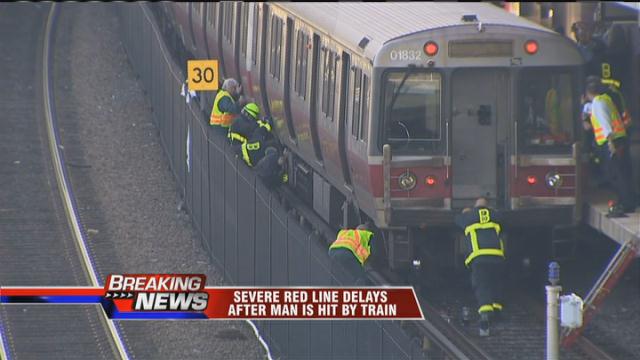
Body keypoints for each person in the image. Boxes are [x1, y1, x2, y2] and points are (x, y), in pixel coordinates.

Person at [455, 197, 506, 337]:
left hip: (479, 258)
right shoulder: (495, 216)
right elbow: (503, 219)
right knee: (496, 283)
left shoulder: (469, 217)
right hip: (497, 257)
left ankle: (485, 315)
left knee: (482, 285)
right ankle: (497, 312)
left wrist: (465, 212)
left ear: (475, 206)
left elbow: (457, 220)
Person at [584, 81, 637, 213]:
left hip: (612, 142)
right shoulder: (606, 99)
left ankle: (626, 203)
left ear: (588, 92)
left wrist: (610, 143)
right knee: (623, 171)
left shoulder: (597, 103)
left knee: (615, 173)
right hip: (620, 139)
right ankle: (628, 200)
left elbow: (604, 123)